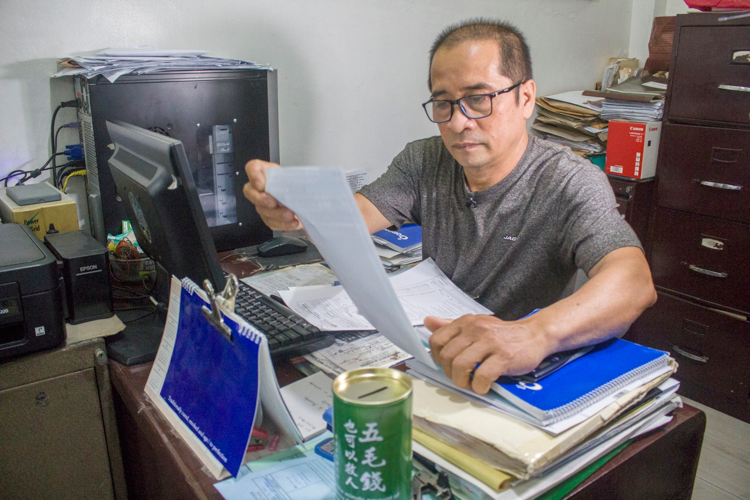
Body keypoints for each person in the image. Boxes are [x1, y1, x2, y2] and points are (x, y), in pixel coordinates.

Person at [243, 19, 657, 395]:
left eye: (479, 99)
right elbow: (348, 219)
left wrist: (534, 334)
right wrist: (296, 209)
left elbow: (633, 282)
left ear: (526, 98)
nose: (458, 122)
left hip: (513, 374)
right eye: (443, 103)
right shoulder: (426, 160)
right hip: (432, 354)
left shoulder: (568, 180)